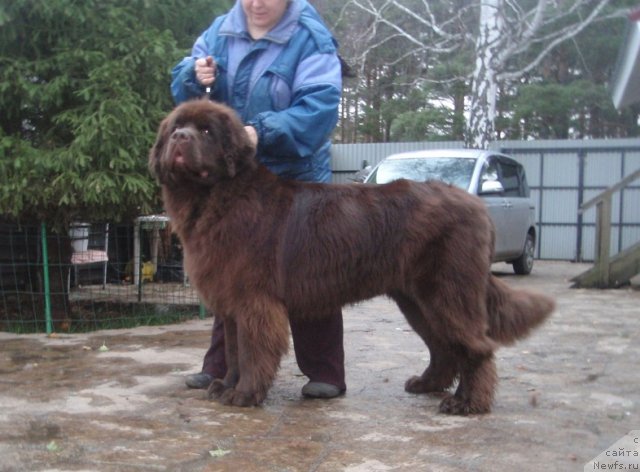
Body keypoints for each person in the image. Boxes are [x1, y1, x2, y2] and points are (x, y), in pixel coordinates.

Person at [171, 0, 346, 399]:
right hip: (232, 173)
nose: (256, 3)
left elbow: (318, 111)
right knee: (231, 270)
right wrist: (191, 75)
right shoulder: (219, 31)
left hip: (292, 171)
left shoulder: (311, 39)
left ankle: (325, 371)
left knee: (309, 273)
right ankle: (225, 368)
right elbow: (185, 95)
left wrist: (260, 132)